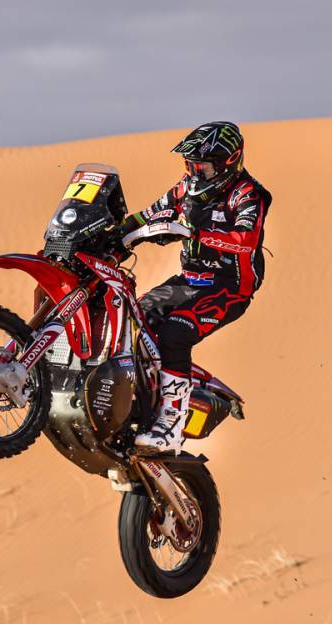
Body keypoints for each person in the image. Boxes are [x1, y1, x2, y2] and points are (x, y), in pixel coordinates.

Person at [118, 121, 272, 454]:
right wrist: (117, 232)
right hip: (189, 280)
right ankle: (136, 403)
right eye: (190, 165)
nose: (194, 172)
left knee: (176, 332)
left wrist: (193, 233)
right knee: (131, 320)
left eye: (202, 166)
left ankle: (171, 425)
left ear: (228, 162)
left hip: (229, 287)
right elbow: (149, 214)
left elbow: (245, 241)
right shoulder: (186, 187)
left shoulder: (248, 194)